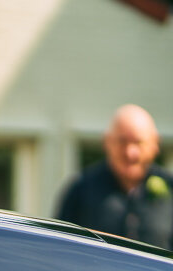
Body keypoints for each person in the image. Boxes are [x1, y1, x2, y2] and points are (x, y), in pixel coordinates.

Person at [56, 104, 173, 250]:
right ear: (107, 142)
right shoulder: (81, 189)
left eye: (138, 142)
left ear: (155, 143)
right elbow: (60, 248)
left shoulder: (170, 187)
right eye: (122, 142)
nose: (130, 153)